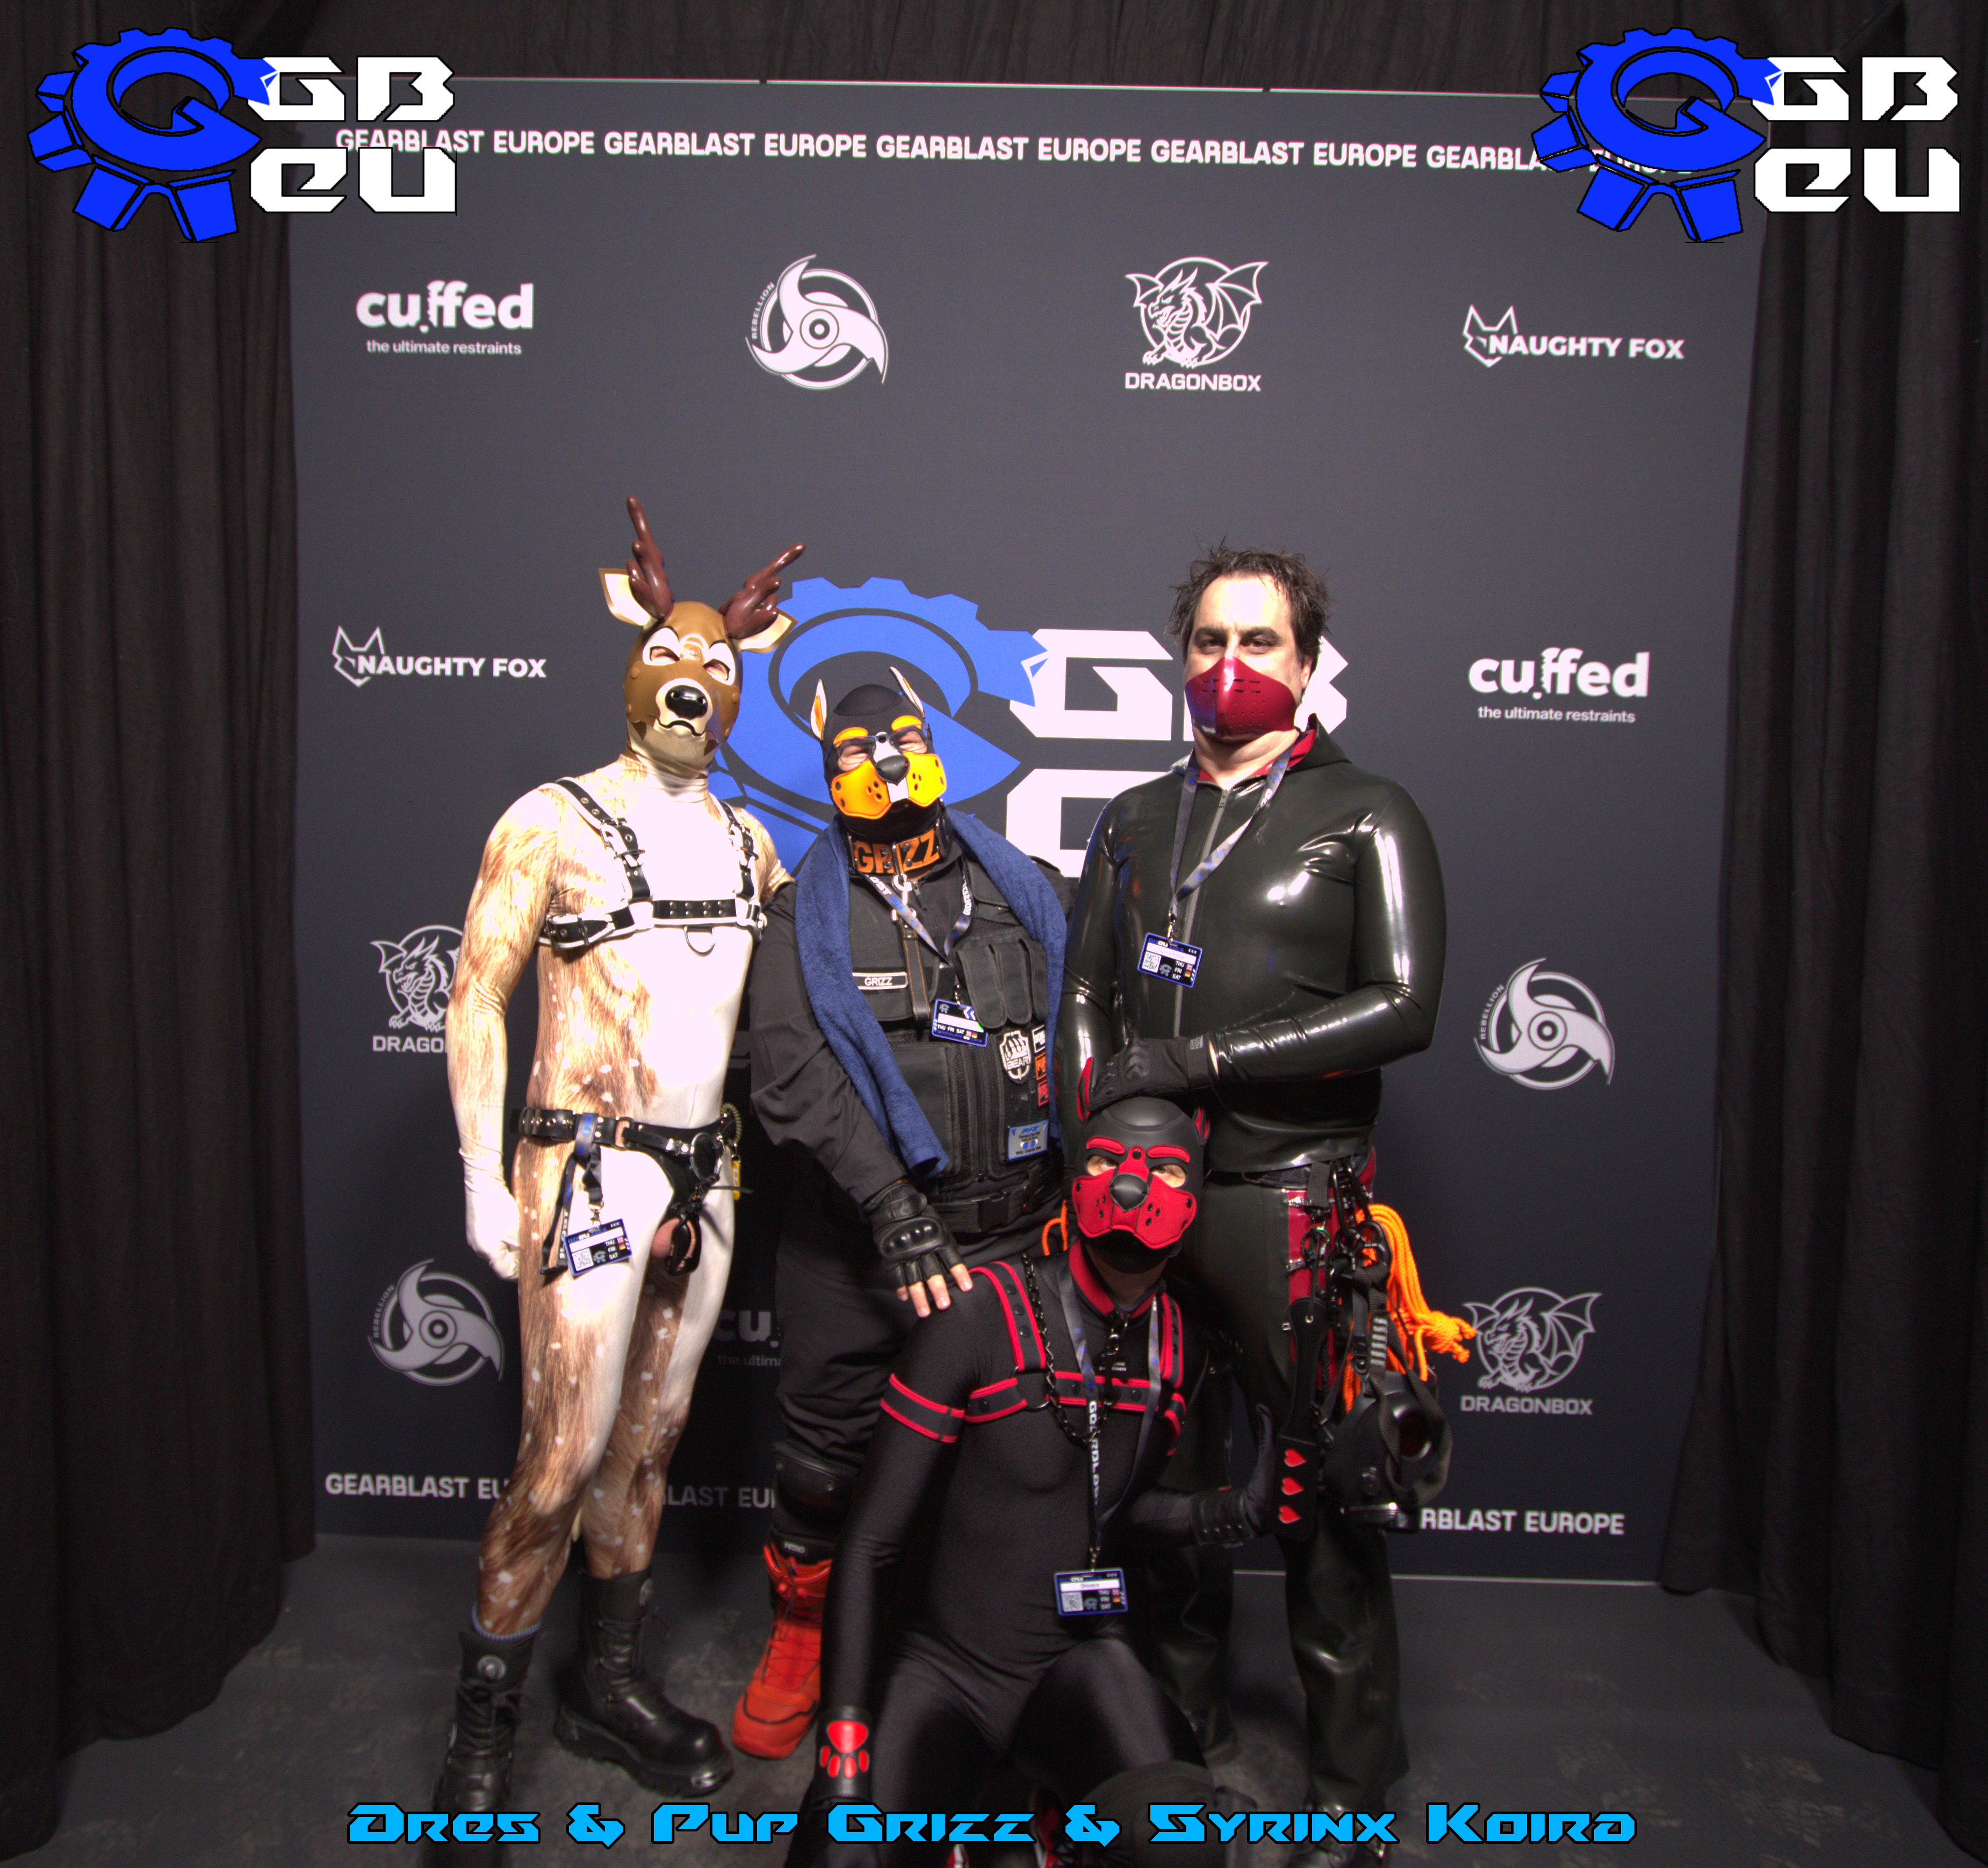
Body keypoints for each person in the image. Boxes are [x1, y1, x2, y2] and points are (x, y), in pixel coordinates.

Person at [1057, 545, 1447, 1866]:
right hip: (1141, 1202)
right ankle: (1179, 1740)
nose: (1230, 665)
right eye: (1209, 640)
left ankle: (1350, 1795)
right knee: (1162, 1479)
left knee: (1324, 1495)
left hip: (1291, 1201)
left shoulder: (1368, 810)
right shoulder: (1133, 817)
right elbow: (1085, 993)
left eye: (1259, 641)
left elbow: (1407, 1004)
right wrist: (1095, 1136)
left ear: (1306, 660)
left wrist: (1205, 1061)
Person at [428, 499, 799, 1864]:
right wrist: (483, 1174)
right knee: (558, 1461)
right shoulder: (550, 821)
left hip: (704, 1177)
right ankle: (479, 1740)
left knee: (647, 1447)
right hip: (581, 1171)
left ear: (741, 692)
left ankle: (607, 1683)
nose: (691, 686)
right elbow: (476, 996)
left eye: (717, 668)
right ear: (634, 669)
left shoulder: (754, 847)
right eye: (668, 660)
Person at [794, 1096, 1272, 1868]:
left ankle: (1048, 1813)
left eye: (1163, 1171)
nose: (1128, 1187)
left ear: (1196, 1194)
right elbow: (870, 1545)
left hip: (1079, 1661)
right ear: (1075, 1176)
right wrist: (844, 1757)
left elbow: (1111, 1514)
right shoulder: (979, 1315)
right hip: (942, 1669)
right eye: (1104, 1161)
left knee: (1187, 1848)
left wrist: (1231, 1514)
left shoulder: (1181, 1345)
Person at [736, 672, 1074, 1761]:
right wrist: (889, 1201)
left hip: (1010, 1235)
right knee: (822, 1459)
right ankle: (801, 1629)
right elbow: (791, 1075)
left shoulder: (1023, 888)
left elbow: (1083, 1035)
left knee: (1013, 1457)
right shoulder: (802, 913)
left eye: (902, 738)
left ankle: (982, 1638)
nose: (882, 760)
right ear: (826, 770)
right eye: (854, 748)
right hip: (856, 1248)